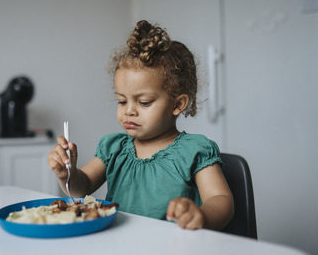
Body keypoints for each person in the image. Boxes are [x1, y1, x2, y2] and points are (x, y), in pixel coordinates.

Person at [48, 20, 234, 230]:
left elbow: (221, 199)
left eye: (144, 102)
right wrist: (67, 173)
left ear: (178, 104)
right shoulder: (114, 149)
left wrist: (201, 215)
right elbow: (81, 188)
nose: (129, 110)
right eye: (122, 101)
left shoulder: (193, 150)